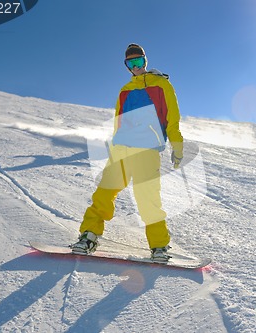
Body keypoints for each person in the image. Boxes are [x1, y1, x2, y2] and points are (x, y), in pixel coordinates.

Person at [71, 43, 183, 261]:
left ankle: (159, 245)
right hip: (121, 149)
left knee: (147, 197)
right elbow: (118, 121)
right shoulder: (125, 90)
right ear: (127, 66)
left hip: (147, 149)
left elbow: (172, 118)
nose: (136, 66)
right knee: (104, 193)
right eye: (131, 63)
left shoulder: (161, 85)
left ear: (145, 61)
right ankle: (89, 235)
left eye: (139, 62)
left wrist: (177, 146)